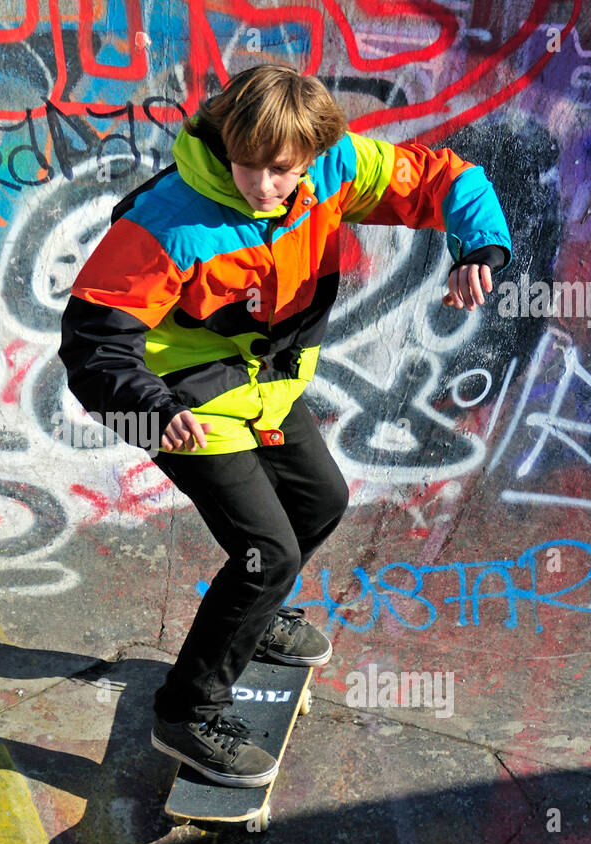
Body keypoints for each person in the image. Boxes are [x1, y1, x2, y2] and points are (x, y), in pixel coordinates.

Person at [58, 65, 511, 787]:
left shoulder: (335, 164)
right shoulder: (168, 221)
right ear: (226, 143)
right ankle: (187, 712)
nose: (265, 186)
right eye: (248, 167)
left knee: (320, 504)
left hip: (266, 388)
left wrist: (480, 245)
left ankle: (253, 617)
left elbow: (444, 180)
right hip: (186, 398)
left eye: (282, 171)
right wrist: (152, 411)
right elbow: (91, 341)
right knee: (265, 552)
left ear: (310, 154)